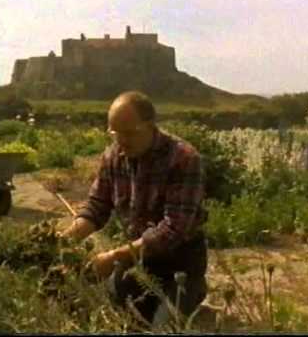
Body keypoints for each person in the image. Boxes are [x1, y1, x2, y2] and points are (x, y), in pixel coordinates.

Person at [61, 90, 208, 327]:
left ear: (150, 126)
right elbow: (97, 206)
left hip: (180, 267)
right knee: (109, 315)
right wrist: (66, 239)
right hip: (140, 264)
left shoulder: (183, 159)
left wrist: (114, 257)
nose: (121, 141)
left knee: (163, 328)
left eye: (129, 133)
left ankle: (195, 291)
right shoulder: (113, 157)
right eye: (115, 133)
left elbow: (174, 230)